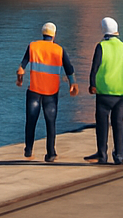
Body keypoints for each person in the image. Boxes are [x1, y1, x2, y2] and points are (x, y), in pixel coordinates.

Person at [16, 21, 78, 162]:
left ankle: (28, 149)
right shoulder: (59, 50)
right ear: (54, 35)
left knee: (31, 120)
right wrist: (73, 83)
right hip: (51, 93)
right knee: (50, 122)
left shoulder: (33, 46)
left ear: (42, 33)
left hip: (34, 91)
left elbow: (21, 68)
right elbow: (69, 68)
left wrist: (19, 79)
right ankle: (50, 153)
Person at [85, 16, 123, 165]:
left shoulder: (102, 46)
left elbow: (95, 67)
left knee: (102, 124)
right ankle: (119, 155)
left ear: (104, 30)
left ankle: (102, 154)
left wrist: (92, 85)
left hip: (104, 91)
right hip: (121, 92)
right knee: (118, 123)